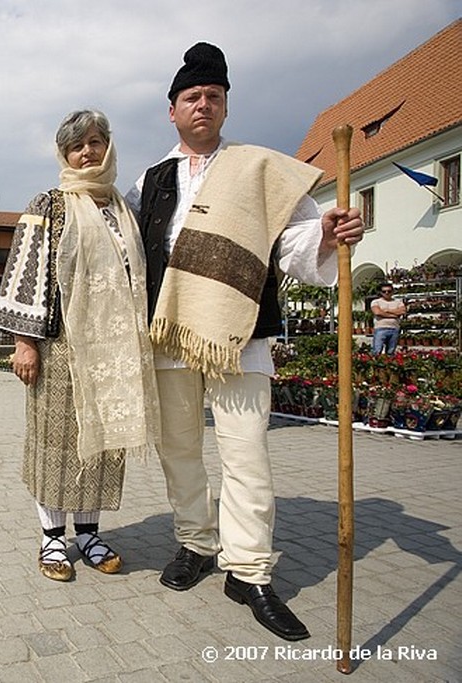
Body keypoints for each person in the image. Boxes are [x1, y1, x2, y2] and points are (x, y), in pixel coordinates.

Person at [126, 42, 365, 641]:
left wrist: (331, 235)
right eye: (191, 97)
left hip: (241, 333)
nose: (202, 105)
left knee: (246, 455)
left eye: (213, 97)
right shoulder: (146, 183)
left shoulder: (260, 169)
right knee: (179, 450)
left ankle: (250, 571)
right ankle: (196, 543)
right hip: (169, 339)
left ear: (226, 106)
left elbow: (300, 246)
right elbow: (125, 257)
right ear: (172, 110)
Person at [0, 110, 161, 582]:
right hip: (60, 348)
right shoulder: (50, 205)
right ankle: (51, 537)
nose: (88, 151)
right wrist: (24, 344)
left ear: (109, 147)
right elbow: (26, 275)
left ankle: (88, 533)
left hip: (114, 352)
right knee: (57, 446)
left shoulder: (124, 210)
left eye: (96, 141)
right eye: (77, 144)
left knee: (104, 447)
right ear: (63, 152)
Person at [371, 282, 406, 354]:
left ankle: (389, 364)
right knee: (377, 351)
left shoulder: (398, 301)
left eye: (389, 291)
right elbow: (377, 312)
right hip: (380, 328)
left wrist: (386, 311)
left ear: (392, 292)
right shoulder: (376, 302)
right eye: (384, 291)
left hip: (394, 329)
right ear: (381, 292)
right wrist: (394, 315)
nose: (386, 293)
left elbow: (402, 311)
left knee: (391, 351)